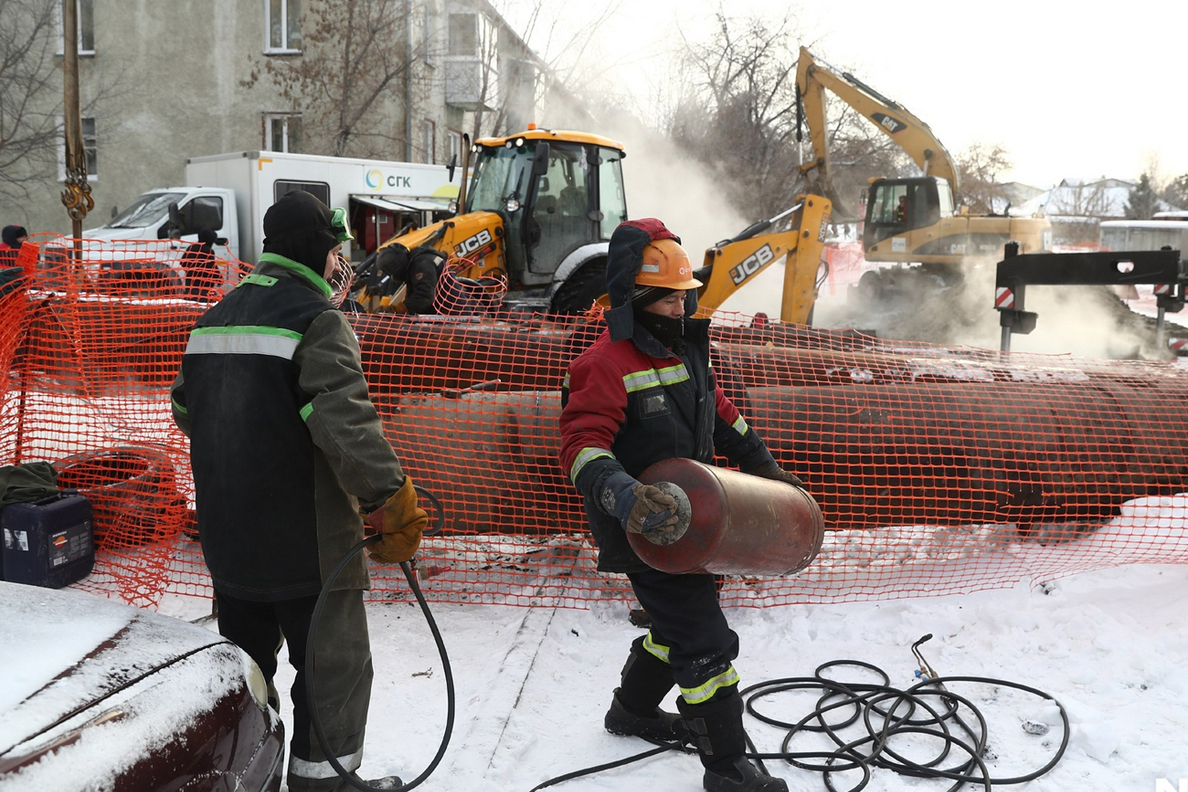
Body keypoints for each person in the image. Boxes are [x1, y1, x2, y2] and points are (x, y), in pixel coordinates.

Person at [170, 189, 428, 792]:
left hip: (229, 543)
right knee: (331, 673)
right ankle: (324, 784)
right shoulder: (317, 320)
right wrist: (388, 498)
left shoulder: (213, 318)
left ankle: (244, 773)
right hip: (308, 548)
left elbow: (185, 409)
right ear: (317, 251)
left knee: (244, 674)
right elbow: (344, 423)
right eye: (336, 251)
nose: (340, 265)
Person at [558, 218, 803, 792]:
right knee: (704, 641)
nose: (679, 304)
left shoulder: (687, 351)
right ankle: (728, 770)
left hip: (695, 524)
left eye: (683, 294)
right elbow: (581, 446)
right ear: (635, 299)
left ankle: (632, 712)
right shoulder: (604, 363)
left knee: (674, 627)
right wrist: (627, 497)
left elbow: (720, 415)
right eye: (666, 297)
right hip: (645, 526)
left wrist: (766, 468)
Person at [371, 242, 442, 314]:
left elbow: (424, 297)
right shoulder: (415, 264)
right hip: (443, 313)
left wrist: (398, 309)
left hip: (447, 316)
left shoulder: (422, 263)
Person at [180, 227, 221, 300]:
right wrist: (219, 279)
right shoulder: (208, 251)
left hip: (190, 284)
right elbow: (212, 267)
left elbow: (182, 262)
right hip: (204, 287)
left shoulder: (191, 247)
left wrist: (190, 270)